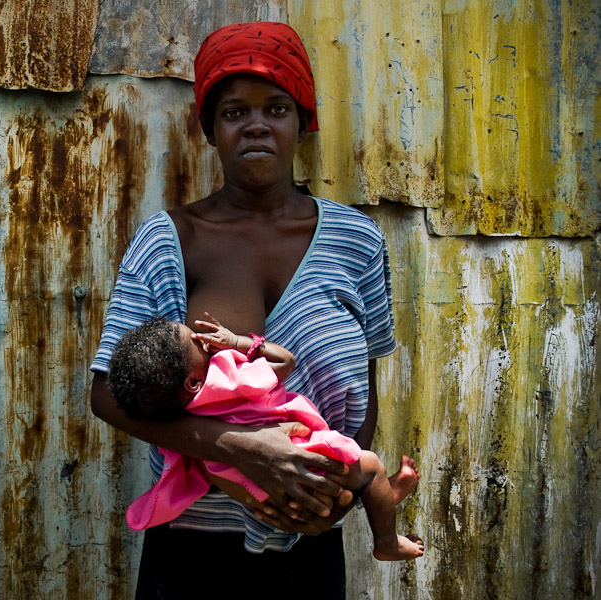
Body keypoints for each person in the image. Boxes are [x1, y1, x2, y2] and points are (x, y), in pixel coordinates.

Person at [90, 21, 407, 597]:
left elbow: (363, 396)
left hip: (309, 545)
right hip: (189, 554)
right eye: (234, 111)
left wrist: (333, 497)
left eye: (276, 107)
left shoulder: (358, 242)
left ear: (302, 121)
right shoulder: (168, 242)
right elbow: (109, 393)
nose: (256, 123)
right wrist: (243, 451)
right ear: (209, 129)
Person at [107, 313, 423, 561]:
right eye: (199, 343)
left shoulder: (179, 423)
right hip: (299, 456)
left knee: (330, 497)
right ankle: (386, 539)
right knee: (370, 467)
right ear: (192, 383)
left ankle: (378, 501)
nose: (207, 343)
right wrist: (237, 342)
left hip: (256, 491)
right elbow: (285, 361)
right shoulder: (225, 380)